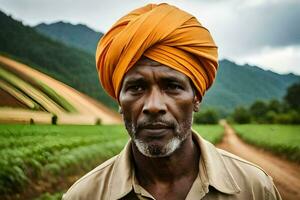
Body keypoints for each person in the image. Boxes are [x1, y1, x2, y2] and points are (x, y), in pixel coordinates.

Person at [63, 3, 281, 200]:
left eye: (172, 86)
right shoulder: (84, 195)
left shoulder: (254, 189)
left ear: (196, 97)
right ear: (119, 100)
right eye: (136, 88)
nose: (154, 106)